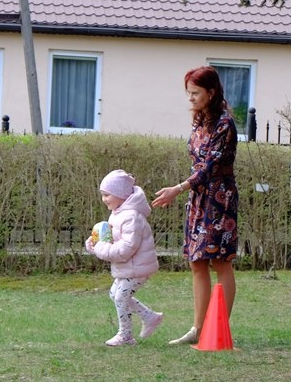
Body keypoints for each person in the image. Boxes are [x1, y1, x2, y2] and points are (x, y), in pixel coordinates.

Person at [153, 66, 238, 345]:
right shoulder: (199, 120)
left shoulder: (225, 124)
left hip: (219, 199)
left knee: (219, 260)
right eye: (188, 93)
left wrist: (177, 189)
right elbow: (197, 163)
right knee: (197, 261)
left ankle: (218, 329)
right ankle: (198, 329)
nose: (190, 98)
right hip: (198, 197)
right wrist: (186, 191)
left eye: (195, 93)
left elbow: (209, 168)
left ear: (211, 93)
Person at [86, 170, 163, 346]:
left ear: (121, 194)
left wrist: (101, 248)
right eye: (103, 195)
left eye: (107, 195)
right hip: (127, 267)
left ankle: (126, 335)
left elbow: (126, 248)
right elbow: (112, 239)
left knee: (121, 297)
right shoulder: (118, 213)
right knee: (114, 294)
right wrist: (95, 244)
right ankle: (150, 317)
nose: (104, 199)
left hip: (138, 268)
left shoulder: (131, 217)